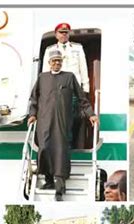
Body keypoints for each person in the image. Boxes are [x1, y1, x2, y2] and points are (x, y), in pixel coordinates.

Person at [28, 49, 98, 201]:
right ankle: (48, 180)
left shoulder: (69, 77)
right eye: (54, 61)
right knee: (44, 148)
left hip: (63, 122)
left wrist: (91, 114)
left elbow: (82, 98)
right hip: (45, 121)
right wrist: (32, 114)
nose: (57, 63)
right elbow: (34, 98)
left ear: (62, 62)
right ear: (49, 63)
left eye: (59, 61)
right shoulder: (42, 78)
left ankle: (60, 187)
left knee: (60, 151)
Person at [42, 23, 90, 150]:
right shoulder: (49, 50)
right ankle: (60, 147)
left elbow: (83, 69)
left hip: (74, 89)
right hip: (56, 91)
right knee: (58, 121)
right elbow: (46, 73)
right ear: (56, 34)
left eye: (66, 32)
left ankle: (72, 146)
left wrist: (85, 90)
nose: (64, 34)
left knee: (73, 120)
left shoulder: (77, 48)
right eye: (61, 32)